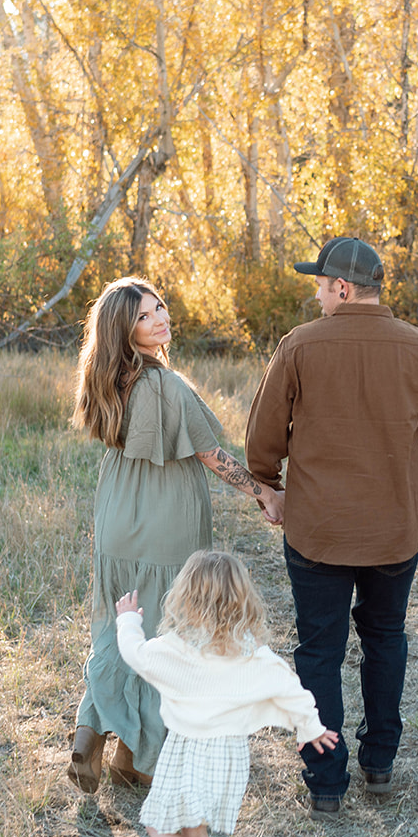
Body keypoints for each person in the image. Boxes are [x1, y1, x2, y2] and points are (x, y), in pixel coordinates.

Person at [244, 237, 418, 815]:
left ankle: (325, 783)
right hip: (394, 531)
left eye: (320, 285)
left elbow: (261, 442)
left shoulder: (299, 346)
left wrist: (270, 488)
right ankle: (381, 763)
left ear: (342, 287)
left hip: (317, 529)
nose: (317, 296)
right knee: (385, 637)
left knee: (319, 650)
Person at [68, 277, 283, 795]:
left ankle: (93, 733)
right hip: (167, 518)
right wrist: (264, 493)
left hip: (119, 511)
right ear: (126, 329)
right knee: (169, 635)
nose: (160, 318)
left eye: (159, 306)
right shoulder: (164, 384)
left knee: (119, 624)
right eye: (144, 316)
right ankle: (139, 758)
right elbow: (212, 456)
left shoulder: (106, 378)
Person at [114, 550, 339, 837]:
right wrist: (310, 727)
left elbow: (135, 655)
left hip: (187, 751)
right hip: (229, 757)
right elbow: (292, 690)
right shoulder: (254, 655)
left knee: (157, 825)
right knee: (193, 827)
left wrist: (127, 623)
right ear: (243, 600)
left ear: (184, 597)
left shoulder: (174, 648)